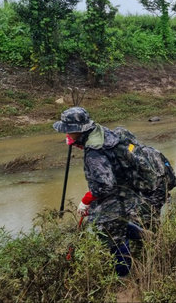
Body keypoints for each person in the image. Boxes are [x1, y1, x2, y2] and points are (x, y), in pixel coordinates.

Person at [53, 107, 141, 277]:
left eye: (68, 131)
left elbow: (105, 185)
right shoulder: (100, 131)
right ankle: (143, 235)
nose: (66, 134)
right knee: (113, 223)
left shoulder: (94, 152)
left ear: (77, 130)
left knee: (113, 235)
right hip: (125, 186)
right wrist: (78, 142)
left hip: (114, 192)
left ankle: (124, 277)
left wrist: (86, 200)